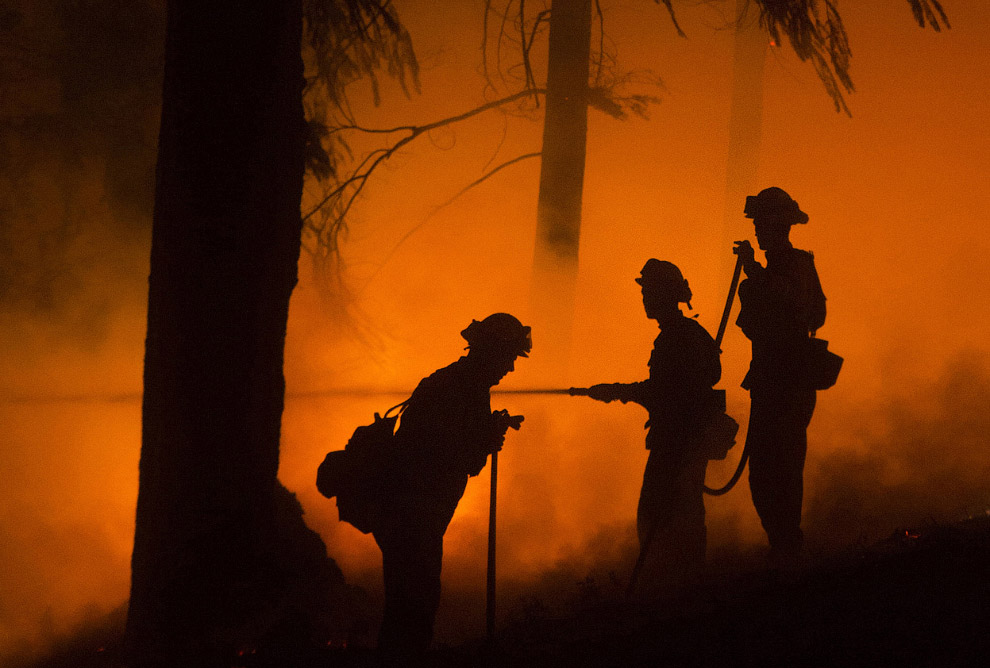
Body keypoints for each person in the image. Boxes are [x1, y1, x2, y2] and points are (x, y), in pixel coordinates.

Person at [373, 313, 531, 663]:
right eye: (508, 358)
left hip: (420, 513)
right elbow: (437, 455)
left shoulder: (464, 388)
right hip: (413, 513)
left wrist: (486, 434)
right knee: (412, 610)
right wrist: (484, 439)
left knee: (414, 607)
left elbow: (458, 454)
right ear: (490, 352)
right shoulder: (454, 388)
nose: (510, 368)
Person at [586, 260, 721, 594]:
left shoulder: (677, 338)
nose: (645, 298)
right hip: (686, 439)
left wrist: (619, 392)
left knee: (659, 515)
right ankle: (682, 585)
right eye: (644, 291)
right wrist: (621, 392)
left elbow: (667, 392)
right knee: (680, 512)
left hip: (678, 441)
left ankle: (671, 588)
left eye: (649, 292)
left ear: (665, 294)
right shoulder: (687, 334)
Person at [733, 186, 827, 569]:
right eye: (755, 223)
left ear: (777, 225)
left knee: (781, 465)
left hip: (787, 380)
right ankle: (782, 543)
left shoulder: (794, 266)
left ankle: (787, 546)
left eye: (761, 222)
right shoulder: (783, 268)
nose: (756, 229)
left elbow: (803, 309)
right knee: (765, 468)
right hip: (774, 379)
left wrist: (754, 274)